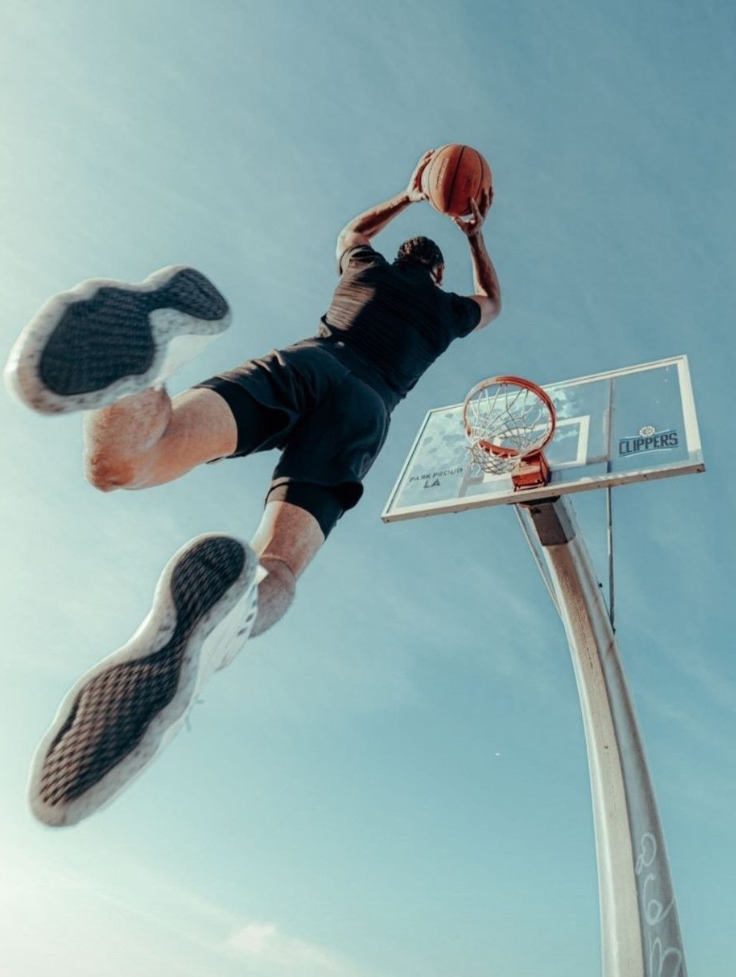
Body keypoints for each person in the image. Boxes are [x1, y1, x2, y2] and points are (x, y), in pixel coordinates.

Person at [5, 150, 501, 826]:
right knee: (279, 567)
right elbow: (492, 302)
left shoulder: (367, 268)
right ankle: (222, 633)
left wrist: (409, 194)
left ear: (398, 254)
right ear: (437, 272)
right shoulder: (445, 312)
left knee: (130, 462)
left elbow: (352, 234)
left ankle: (152, 368)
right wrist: (473, 231)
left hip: (309, 362)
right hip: (364, 412)